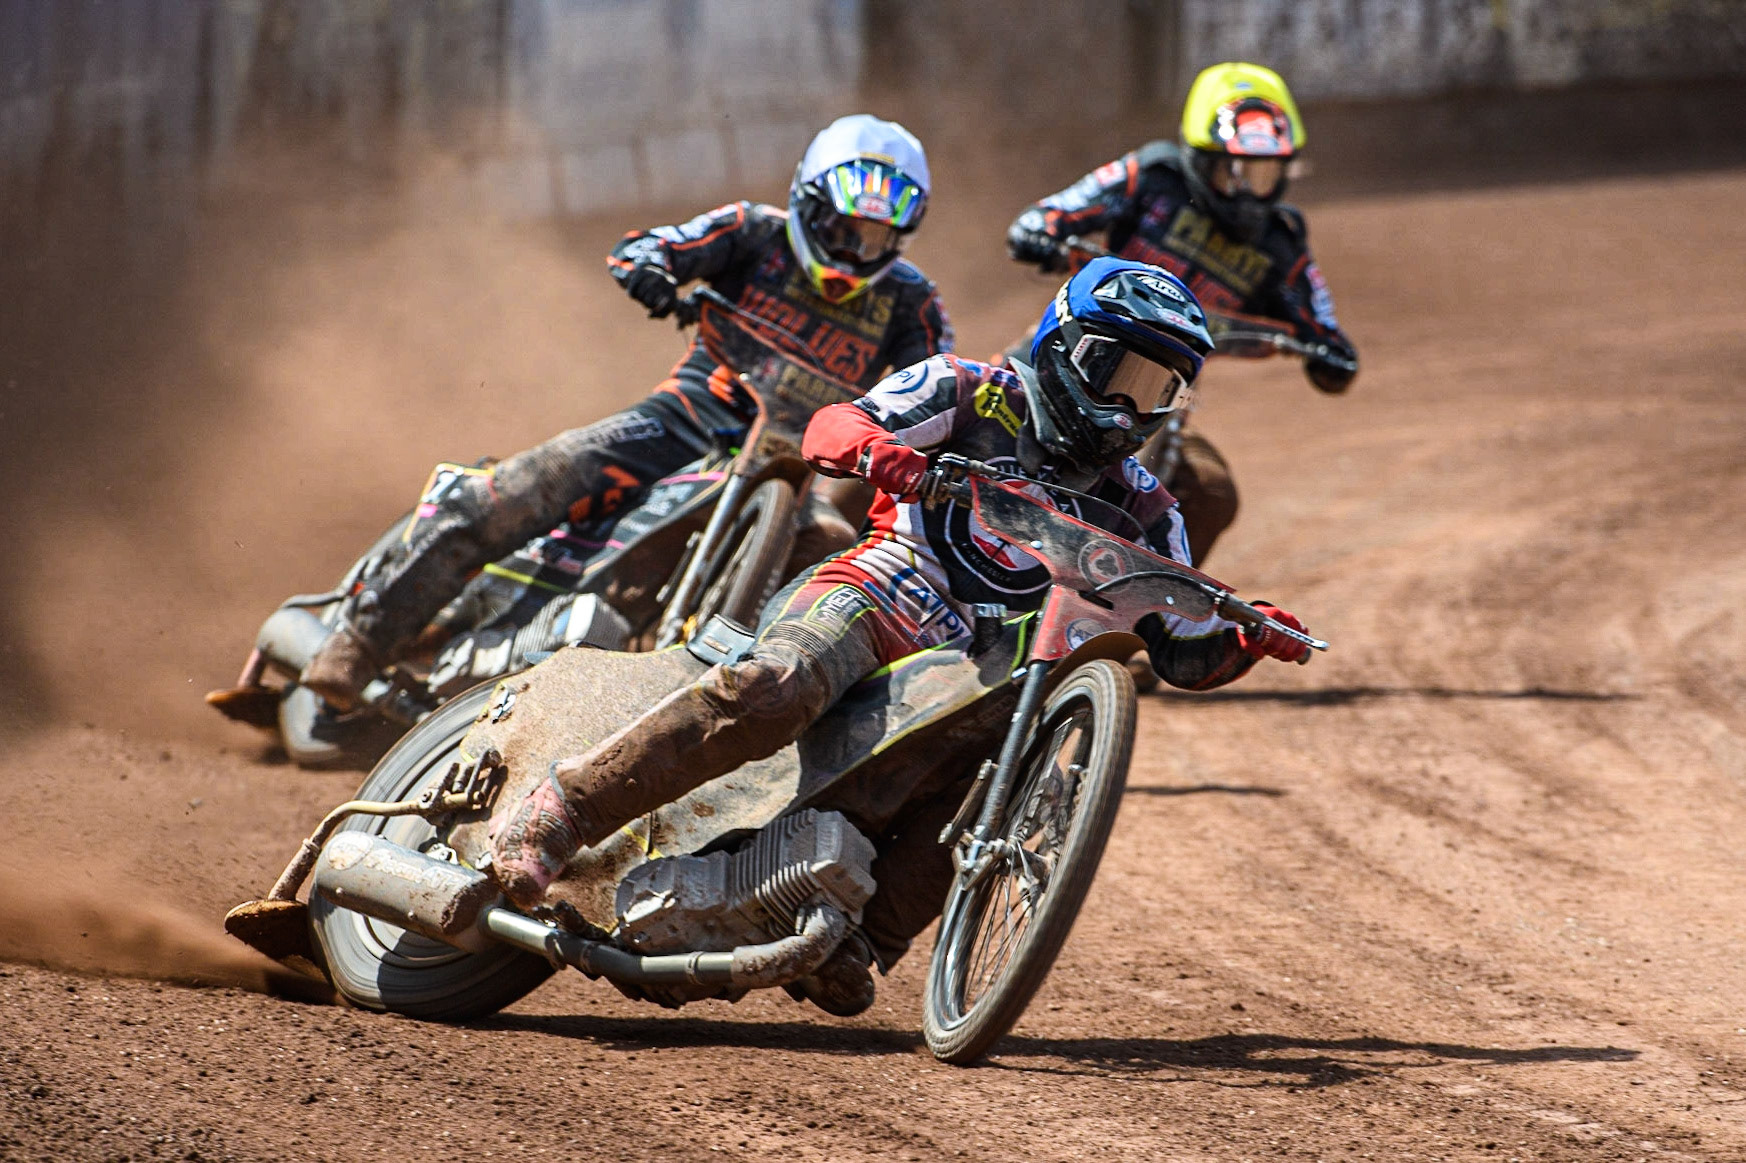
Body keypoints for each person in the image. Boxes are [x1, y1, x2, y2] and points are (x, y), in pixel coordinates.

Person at [487, 257, 1314, 1015]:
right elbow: (832, 429)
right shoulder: (969, 389)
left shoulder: (1150, 509)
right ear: (1064, 344)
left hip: (981, 662)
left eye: (1158, 387)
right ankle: (564, 808)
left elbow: (1180, 647)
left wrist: (1247, 639)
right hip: (882, 588)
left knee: (1001, 780)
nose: (1131, 406)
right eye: (1119, 373)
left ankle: (862, 938)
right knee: (776, 684)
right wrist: (885, 457)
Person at [298, 114, 953, 711]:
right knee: (551, 471)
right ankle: (361, 639)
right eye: (841, 229)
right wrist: (651, 271)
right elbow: (645, 246)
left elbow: (937, 389)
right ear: (806, 203)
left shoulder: (913, 303)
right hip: (686, 417)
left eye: (875, 238)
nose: (852, 253)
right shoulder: (752, 231)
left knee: (834, 549)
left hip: (795, 466)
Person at [1005, 61, 1358, 563]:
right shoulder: (1153, 177)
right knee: (981, 409)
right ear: (1198, 156)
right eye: (1233, 170)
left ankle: (1141, 597)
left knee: (1210, 491)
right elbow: (1053, 212)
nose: (1247, 191)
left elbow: (1326, 333)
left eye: (1264, 174)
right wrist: (1039, 231)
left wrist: (1330, 353)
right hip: (1063, 353)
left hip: (1157, 398)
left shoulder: (1280, 242)